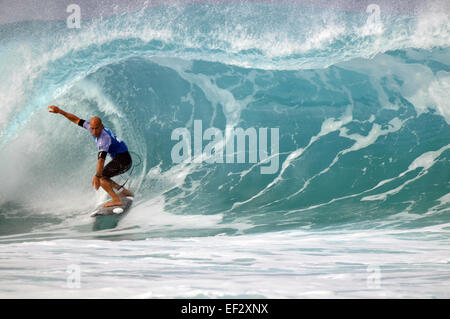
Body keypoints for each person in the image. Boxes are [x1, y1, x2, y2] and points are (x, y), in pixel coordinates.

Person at [48, 105, 133, 207]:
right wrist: (60, 111)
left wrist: (97, 176)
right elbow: (76, 120)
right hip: (120, 157)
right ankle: (123, 191)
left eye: (97, 129)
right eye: (92, 129)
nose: (94, 132)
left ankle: (116, 200)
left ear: (101, 126)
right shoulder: (90, 126)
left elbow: (101, 160)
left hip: (124, 161)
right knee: (103, 176)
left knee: (101, 177)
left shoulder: (104, 138)